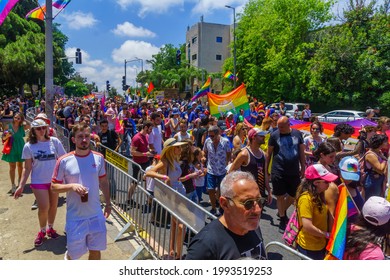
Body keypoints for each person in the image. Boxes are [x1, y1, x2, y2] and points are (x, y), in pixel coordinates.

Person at [51, 123, 111, 260]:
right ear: (73, 140)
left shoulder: (99, 158)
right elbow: (53, 187)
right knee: (74, 256)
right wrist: (71, 186)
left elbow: (104, 182)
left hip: (96, 215)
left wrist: (108, 204)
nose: (84, 140)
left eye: (86, 136)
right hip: (75, 218)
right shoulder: (64, 161)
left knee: (96, 252)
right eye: (80, 137)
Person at [186, 171, 267, 260]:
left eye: (260, 201)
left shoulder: (252, 225)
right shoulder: (205, 246)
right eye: (248, 203)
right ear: (225, 204)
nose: (258, 210)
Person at [14, 119, 66, 246]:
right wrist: (21, 185)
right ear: (33, 130)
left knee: (53, 206)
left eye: (44, 127)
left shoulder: (54, 141)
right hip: (38, 181)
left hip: (54, 181)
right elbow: (27, 167)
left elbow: (64, 159)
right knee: (44, 207)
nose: (42, 130)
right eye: (39, 128)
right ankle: (42, 231)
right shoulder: (29, 146)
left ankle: (50, 228)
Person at [145, 138, 188, 259]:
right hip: (172, 197)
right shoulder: (165, 161)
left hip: (179, 194)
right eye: (178, 147)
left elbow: (176, 178)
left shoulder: (174, 160)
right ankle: (178, 256)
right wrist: (164, 177)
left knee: (176, 225)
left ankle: (172, 251)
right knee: (181, 226)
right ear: (171, 149)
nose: (180, 149)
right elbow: (148, 173)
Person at [267, 116, 305, 231]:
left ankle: (281, 211)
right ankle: (283, 218)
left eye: (282, 126)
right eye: (278, 126)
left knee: (294, 195)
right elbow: (268, 154)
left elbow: (301, 152)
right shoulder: (274, 135)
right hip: (278, 170)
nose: (280, 129)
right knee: (280, 196)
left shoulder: (297, 134)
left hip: (293, 170)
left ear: (289, 124)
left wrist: (303, 166)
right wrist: (267, 171)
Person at [296, 164, 338, 260]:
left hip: (320, 244)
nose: (330, 183)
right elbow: (308, 227)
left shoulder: (319, 195)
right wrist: (327, 235)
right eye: (327, 181)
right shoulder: (306, 199)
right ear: (316, 183)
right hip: (309, 247)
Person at [229, 128, 272, 205]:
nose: (264, 137)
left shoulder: (264, 155)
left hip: (259, 195)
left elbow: (265, 174)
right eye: (261, 135)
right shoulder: (244, 154)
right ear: (254, 137)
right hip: (246, 195)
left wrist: (269, 191)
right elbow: (231, 172)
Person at [203, 125, 232, 216]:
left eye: (212, 136)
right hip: (211, 169)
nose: (210, 138)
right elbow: (204, 152)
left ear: (218, 134)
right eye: (209, 135)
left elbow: (229, 154)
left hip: (222, 170)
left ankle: (221, 208)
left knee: (222, 191)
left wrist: (228, 166)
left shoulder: (225, 142)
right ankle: (213, 208)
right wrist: (203, 158)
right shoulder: (207, 141)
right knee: (211, 189)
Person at [1, 112, 28, 194]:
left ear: (21, 120)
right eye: (15, 117)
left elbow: (30, 126)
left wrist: (25, 120)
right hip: (11, 147)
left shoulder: (22, 127)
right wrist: (7, 136)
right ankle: (13, 184)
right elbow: (3, 137)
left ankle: (20, 181)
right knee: (12, 166)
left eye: (19, 118)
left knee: (20, 165)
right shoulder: (8, 126)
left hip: (20, 147)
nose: (16, 119)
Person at [361, 134, 388, 200]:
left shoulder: (378, 152)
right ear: (379, 143)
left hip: (378, 180)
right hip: (372, 181)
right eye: (385, 141)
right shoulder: (371, 155)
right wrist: (385, 159)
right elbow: (380, 169)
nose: (387, 143)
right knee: (373, 201)